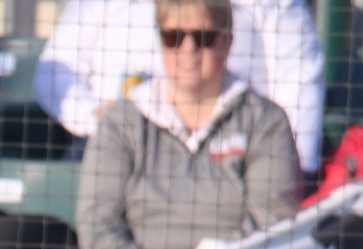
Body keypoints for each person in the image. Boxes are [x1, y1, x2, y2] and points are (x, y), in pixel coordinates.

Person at [74, 0, 299, 249]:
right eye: (173, 37)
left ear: (227, 41)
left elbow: (270, 226)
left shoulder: (266, 122)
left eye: (203, 38)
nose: (188, 49)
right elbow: (99, 232)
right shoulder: (121, 123)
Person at [34, 0, 323, 171]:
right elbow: (54, 73)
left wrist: (296, 169)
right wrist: (95, 118)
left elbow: (299, 81)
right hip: (117, 144)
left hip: (231, 145)